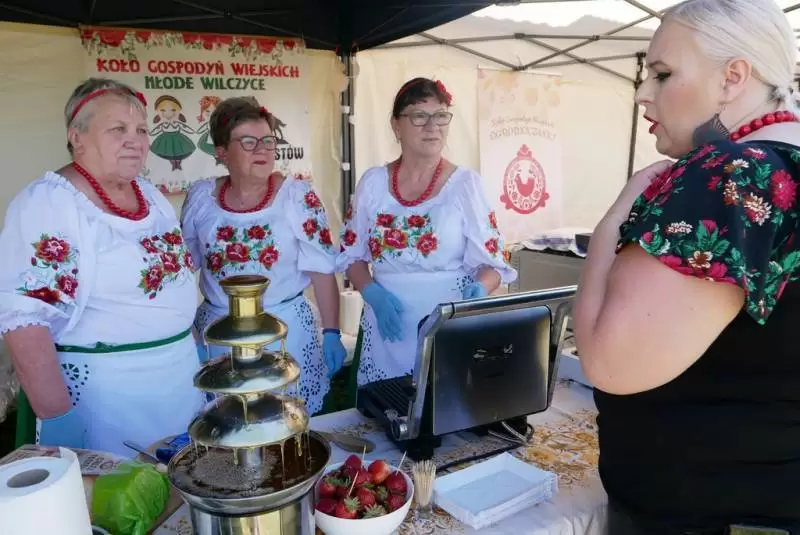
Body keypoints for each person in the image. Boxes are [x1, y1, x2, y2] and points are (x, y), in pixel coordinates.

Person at [572, 0, 800, 532]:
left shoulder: (731, 174)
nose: (641, 93)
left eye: (662, 74)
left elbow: (609, 362)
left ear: (732, 78)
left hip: (710, 512)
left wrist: (615, 218)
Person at [0, 78, 205, 456]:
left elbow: (173, 287)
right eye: (118, 129)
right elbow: (26, 320)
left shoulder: (151, 196)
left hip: (180, 384)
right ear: (76, 137)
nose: (135, 140)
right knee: (123, 491)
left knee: (185, 482)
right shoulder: (51, 204)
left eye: (141, 130)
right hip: (107, 403)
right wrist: (58, 416)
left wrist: (196, 351)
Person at [338, 78, 517, 387]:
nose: (432, 126)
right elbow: (351, 256)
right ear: (396, 125)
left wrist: (479, 288)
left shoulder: (465, 185)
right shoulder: (373, 183)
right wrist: (371, 293)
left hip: (446, 326)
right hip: (387, 330)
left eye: (441, 115)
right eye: (419, 116)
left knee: (443, 404)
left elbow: (494, 264)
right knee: (387, 406)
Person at [181, 96, 345, 416]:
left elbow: (322, 271)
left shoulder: (297, 197)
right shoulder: (201, 198)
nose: (263, 150)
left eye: (268, 141)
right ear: (222, 152)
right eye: (248, 142)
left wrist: (331, 332)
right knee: (227, 423)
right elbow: (182, 273)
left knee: (287, 423)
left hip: (285, 336)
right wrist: (192, 338)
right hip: (220, 339)